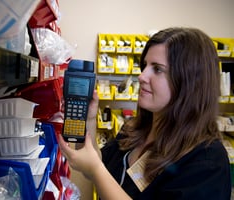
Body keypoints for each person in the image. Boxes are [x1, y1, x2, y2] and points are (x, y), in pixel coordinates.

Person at [58, 27, 232, 200]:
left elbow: (96, 170)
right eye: (145, 66)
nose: (142, 76)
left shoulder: (208, 163)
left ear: (189, 82)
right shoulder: (135, 129)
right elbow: (98, 168)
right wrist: (89, 119)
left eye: (157, 69)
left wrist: (96, 169)